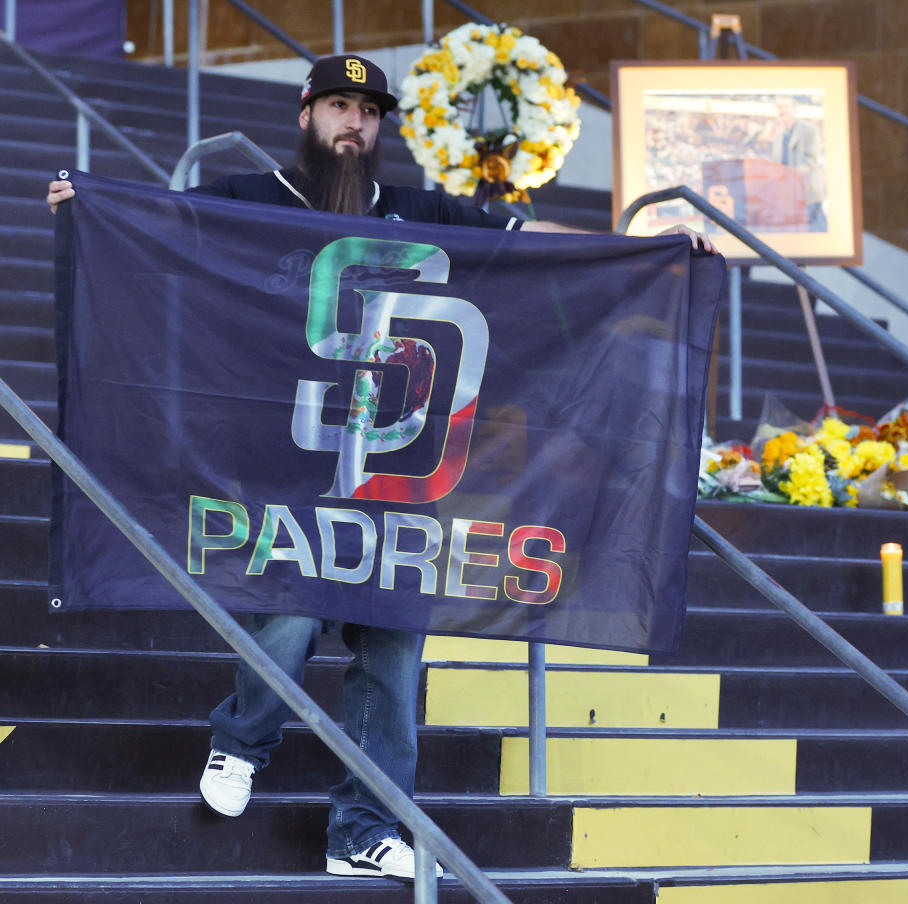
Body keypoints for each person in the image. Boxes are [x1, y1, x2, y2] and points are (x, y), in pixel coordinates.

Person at [46, 53, 715, 882]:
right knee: (287, 614)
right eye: (337, 105)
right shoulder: (251, 202)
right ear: (305, 116)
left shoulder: (416, 210)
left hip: (396, 482)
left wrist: (645, 248)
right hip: (281, 469)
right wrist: (92, 203)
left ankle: (363, 827)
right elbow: (157, 223)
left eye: (367, 110)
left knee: (394, 653)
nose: (353, 123)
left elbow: (527, 243)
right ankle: (241, 743)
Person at [769, 95, 826, 232]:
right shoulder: (779, 135)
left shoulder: (809, 130)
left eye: (786, 107)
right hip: (787, 195)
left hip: (807, 192)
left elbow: (811, 161)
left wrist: (791, 176)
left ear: (794, 109)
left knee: (816, 231)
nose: (783, 111)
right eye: (780, 108)